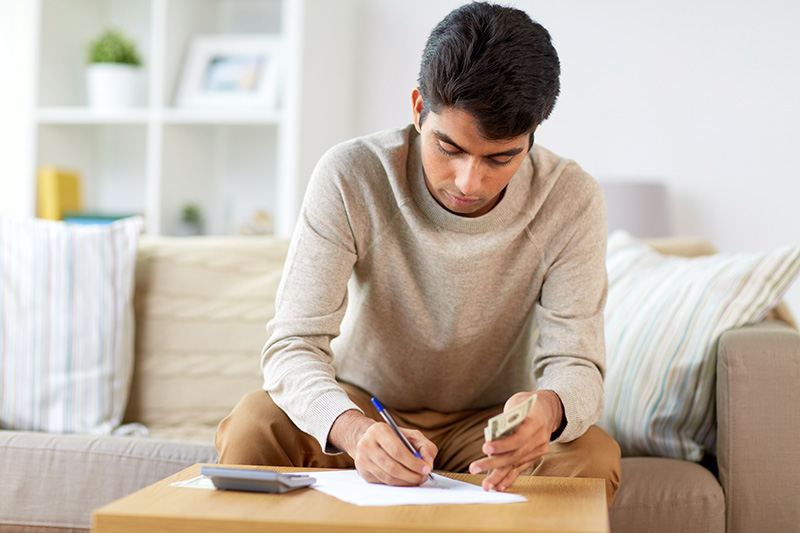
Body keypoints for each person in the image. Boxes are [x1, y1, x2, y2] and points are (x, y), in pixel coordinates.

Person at [216, 1, 621, 507]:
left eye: (501, 158)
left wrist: (550, 409)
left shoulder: (570, 197)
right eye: (449, 148)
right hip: (365, 409)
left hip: (489, 430)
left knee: (592, 457)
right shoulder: (351, 175)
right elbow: (292, 344)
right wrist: (353, 430)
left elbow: (578, 362)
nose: (469, 182)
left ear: (532, 136)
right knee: (256, 423)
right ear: (417, 109)